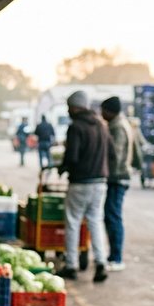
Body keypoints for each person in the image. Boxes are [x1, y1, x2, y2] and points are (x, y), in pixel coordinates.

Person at [58, 90, 110, 282]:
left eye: (69, 107)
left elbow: (72, 156)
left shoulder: (76, 127)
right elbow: (110, 153)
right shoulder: (101, 125)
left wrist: (63, 167)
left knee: (73, 223)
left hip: (81, 182)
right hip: (100, 182)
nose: (68, 111)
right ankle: (101, 263)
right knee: (95, 222)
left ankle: (71, 265)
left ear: (75, 107)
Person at [101, 96, 137, 271]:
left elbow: (115, 153)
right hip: (118, 176)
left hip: (117, 177)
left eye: (103, 111)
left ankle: (116, 258)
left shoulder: (117, 127)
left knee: (113, 216)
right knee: (111, 216)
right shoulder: (121, 124)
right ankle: (112, 255)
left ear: (109, 111)